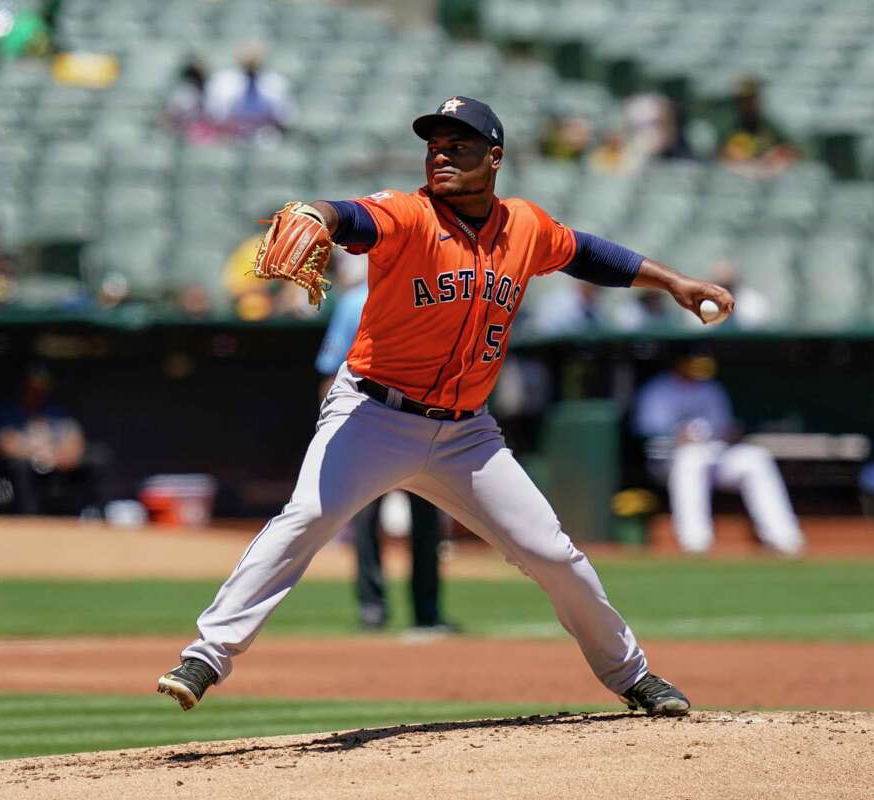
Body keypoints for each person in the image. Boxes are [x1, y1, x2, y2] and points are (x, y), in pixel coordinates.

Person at [157, 96, 735, 716]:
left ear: (495, 158)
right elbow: (352, 216)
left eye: (458, 145)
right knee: (305, 520)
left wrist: (673, 280)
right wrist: (318, 215)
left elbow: (589, 253)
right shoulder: (408, 215)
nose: (441, 155)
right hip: (372, 415)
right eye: (434, 145)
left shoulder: (526, 227)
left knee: (552, 554)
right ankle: (206, 655)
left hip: (467, 436)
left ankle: (633, 677)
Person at [315, 251, 455, 633]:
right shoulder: (354, 301)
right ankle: (380, 608)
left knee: (422, 519)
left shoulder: (428, 295)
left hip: (416, 420)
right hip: (368, 419)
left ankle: (418, 611)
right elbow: (330, 368)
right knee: (370, 519)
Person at [632, 352, 804, 556]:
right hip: (667, 459)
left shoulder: (711, 388)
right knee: (692, 458)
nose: (697, 373)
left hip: (711, 454)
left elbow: (723, 427)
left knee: (755, 457)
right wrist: (678, 436)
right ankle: (695, 542)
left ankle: (783, 539)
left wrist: (730, 434)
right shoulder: (658, 390)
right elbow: (646, 431)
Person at [0, 365, 93, 516]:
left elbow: (75, 444)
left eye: (41, 388)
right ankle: (29, 517)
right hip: (25, 465)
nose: (37, 393)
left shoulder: (57, 413)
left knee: (95, 460)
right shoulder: (10, 412)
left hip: (57, 464)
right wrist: (37, 455)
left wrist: (55, 457)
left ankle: (89, 513)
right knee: (19, 467)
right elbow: (6, 446)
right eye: (32, 388)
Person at [204, 42, 292, 141]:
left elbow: (284, 117)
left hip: (264, 136)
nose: (251, 58)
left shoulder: (276, 82)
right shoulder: (222, 80)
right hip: (231, 136)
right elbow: (214, 114)